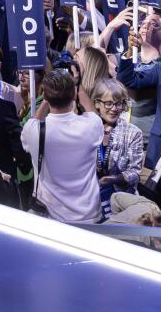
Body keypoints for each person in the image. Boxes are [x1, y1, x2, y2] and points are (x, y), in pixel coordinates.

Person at [22, 71, 103, 224]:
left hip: (52, 220)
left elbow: (32, 122)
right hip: (89, 217)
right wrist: (80, 90)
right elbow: (91, 110)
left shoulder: (33, 131)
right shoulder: (91, 126)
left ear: (45, 96)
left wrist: (45, 102)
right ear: (74, 95)